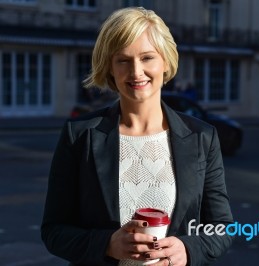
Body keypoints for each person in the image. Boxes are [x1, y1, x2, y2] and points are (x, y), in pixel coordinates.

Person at [41, 7, 234, 266]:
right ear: (109, 68)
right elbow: (54, 230)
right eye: (123, 60)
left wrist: (188, 249)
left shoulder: (202, 137)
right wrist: (107, 244)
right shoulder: (80, 135)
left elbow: (222, 227)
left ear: (165, 61)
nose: (136, 71)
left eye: (147, 57)